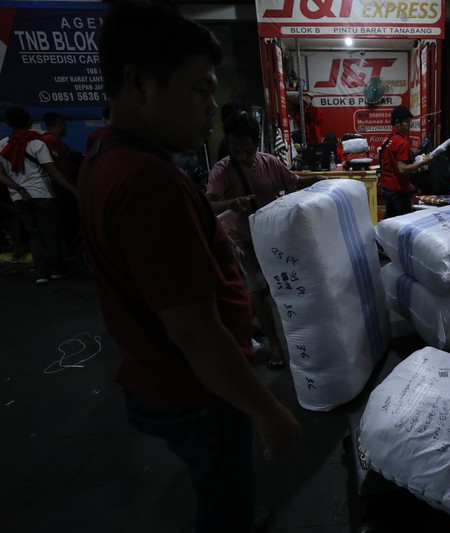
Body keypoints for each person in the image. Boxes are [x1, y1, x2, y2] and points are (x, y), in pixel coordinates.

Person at [78, 2, 300, 531]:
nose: (211, 109)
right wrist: (267, 411)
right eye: (201, 89)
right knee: (225, 503)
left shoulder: (103, 157)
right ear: (138, 84)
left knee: (221, 488)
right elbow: (197, 333)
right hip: (200, 391)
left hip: (166, 378)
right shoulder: (149, 183)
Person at [205, 110, 320, 370]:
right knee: (257, 285)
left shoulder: (270, 163)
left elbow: (293, 181)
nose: (241, 156)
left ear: (256, 144)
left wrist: (321, 181)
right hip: (241, 239)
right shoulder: (223, 170)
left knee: (268, 287)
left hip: (271, 236)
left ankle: (244, 323)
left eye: (246, 150)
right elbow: (208, 204)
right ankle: (275, 341)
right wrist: (231, 203)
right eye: (235, 150)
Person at [0, 107, 76, 284]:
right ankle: (57, 270)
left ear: (9, 124)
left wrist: (19, 189)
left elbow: (1, 174)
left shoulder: (2, 145)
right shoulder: (37, 143)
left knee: (35, 235)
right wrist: (73, 189)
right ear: (29, 123)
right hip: (42, 194)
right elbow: (53, 172)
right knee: (49, 232)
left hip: (20, 198)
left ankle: (41, 274)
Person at [379, 105, 433, 218]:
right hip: (398, 191)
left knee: (390, 221)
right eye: (407, 122)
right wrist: (423, 163)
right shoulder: (401, 142)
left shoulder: (389, 138)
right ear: (398, 122)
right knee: (404, 225)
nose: (409, 126)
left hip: (388, 187)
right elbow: (402, 169)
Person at [41, 112, 82, 246]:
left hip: (64, 186)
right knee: (70, 218)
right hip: (63, 187)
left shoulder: (51, 140)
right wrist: (72, 186)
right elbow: (59, 168)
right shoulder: (50, 140)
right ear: (60, 124)